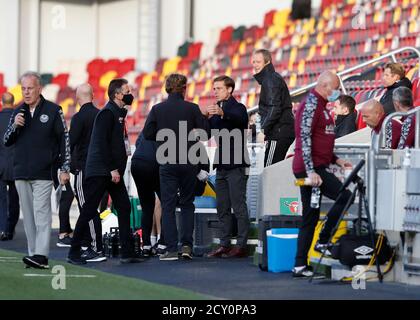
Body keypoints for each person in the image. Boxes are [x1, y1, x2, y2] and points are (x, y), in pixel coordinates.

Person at [67, 78, 143, 264]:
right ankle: (74, 252)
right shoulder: (107, 114)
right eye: (127, 90)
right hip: (101, 171)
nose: (130, 92)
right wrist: (112, 169)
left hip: (110, 172)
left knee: (124, 207)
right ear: (117, 94)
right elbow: (101, 144)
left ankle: (126, 252)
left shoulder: (118, 113)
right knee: (89, 210)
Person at [4, 72, 70, 269]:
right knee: (29, 218)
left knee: (41, 213)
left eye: (30, 88)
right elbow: (7, 140)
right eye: (23, 88)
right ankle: (33, 255)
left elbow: (64, 140)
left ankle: (41, 255)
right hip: (21, 172)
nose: (26, 92)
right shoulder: (17, 112)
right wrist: (15, 126)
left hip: (43, 172)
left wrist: (65, 167)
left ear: (39, 88)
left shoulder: (53, 110)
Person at [292, 71, 353, 278]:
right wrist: (310, 170)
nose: (337, 93)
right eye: (336, 88)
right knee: (345, 196)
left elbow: (321, 140)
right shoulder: (310, 104)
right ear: (326, 86)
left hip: (318, 166)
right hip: (312, 168)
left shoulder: (322, 106)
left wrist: (336, 160)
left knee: (310, 216)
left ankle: (300, 264)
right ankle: (323, 239)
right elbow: (305, 138)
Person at [143, 73, 209, 261]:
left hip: (167, 162)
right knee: (188, 204)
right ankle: (187, 246)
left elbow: (147, 133)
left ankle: (171, 248)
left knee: (169, 205)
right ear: (184, 89)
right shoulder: (192, 108)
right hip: (189, 162)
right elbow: (206, 134)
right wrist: (203, 118)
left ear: (167, 88)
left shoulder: (157, 109)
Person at [205, 76, 250, 258]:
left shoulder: (238, 108)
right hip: (222, 165)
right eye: (214, 88)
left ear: (230, 89)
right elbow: (207, 133)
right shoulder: (217, 111)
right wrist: (204, 118)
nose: (215, 91)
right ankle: (224, 243)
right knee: (222, 206)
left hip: (236, 164)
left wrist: (222, 114)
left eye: (219, 88)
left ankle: (241, 245)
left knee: (238, 206)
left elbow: (240, 119)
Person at [68, 83, 104, 262]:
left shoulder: (79, 117)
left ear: (77, 97)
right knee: (91, 208)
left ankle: (95, 248)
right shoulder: (101, 115)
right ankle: (90, 244)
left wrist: (64, 166)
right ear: (93, 95)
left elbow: (70, 144)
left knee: (87, 209)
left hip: (84, 169)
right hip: (100, 169)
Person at [252, 49, 295, 167]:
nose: (255, 65)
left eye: (258, 62)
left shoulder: (270, 79)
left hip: (279, 132)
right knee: (273, 169)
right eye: (253, 62)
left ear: (267, 62)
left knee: (268, 169)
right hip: (281, 130)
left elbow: (274, 108)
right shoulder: (271, 78)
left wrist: (262, 130)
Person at [130, 131, 162, 257]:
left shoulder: (146, 130)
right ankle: (163, 243)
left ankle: (147, 245)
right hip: (154, 163)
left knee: (147, 207)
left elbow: (138, 144)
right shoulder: (168, 126)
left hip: (137, 163)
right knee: (166, 203)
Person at [0, 92, 20, 241]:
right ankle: (10, 230)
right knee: (14, 199)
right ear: (13, 102)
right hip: (15, 165)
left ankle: (1, 228)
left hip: (0, 164)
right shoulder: (18, 119)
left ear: (2, 102)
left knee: (1, 199)